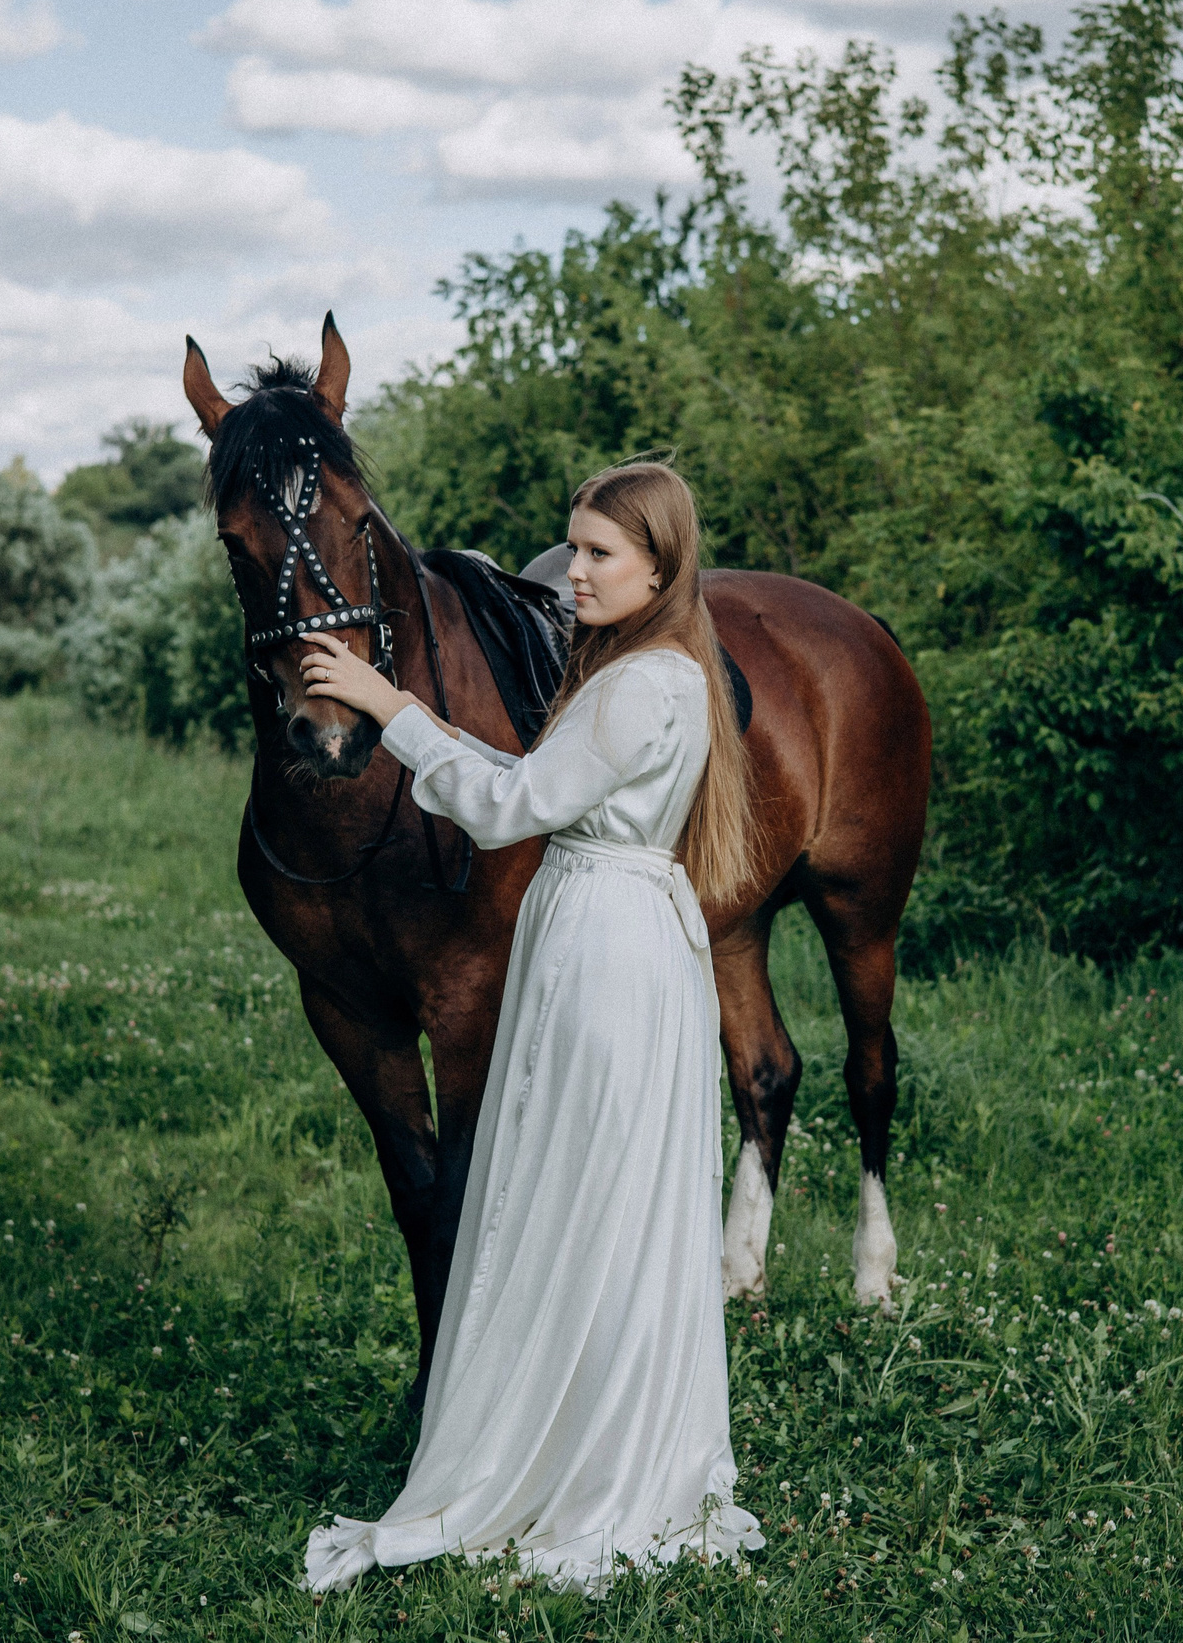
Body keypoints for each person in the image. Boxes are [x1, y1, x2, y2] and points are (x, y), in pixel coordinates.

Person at [294, 461, 766, 1595]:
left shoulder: (641, 684)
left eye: (601, 554)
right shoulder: (656, 671)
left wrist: (389, 709)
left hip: (604, 952)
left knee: (577, 1190)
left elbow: (510, 808)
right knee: (596, 1195)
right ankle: (580, 1432)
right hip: (619, 936)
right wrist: (423, 721)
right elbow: (540, 781)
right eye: (575, 547)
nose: (575, 573)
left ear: (660, 565)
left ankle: (567, 1455)